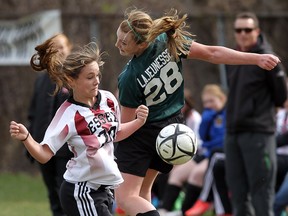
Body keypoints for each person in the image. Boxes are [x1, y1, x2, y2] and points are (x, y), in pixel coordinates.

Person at [113, 8, 281, 216]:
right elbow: (213, 53)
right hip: (171, 128)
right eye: (118, 39)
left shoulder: (129, 77)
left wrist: (107, 140)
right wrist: (255, 58)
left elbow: (128, 127)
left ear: (142, 42)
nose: (117, 44)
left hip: (144, 134)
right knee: (142, 193)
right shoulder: (167, 41)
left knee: (125, 197)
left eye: (123, 42)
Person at [9, 38, 149, 216]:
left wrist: (138, 122)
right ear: (71, 80)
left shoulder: (108, 100)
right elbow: (44, 155)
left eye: (98, 75)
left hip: (104, 189)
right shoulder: (68, 114)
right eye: (90, 77)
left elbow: (114, 134)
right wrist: (26, 138)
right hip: (82, 190)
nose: (96, 81)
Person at [224, 12, 287, 216]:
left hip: (259, 134)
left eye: (248, 29)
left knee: (261, 193)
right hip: (233, 133)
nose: (243, 34)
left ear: (257, 31)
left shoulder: (268, 59)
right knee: (238, 193)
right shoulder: (232, 58)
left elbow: (281, 97)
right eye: (238, 30)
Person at [158, 84, 226, 216]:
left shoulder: (226, 114)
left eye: (211, 101)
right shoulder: (208, 115)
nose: (208, 104)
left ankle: (185, 211)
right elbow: (203, 136)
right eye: (205, 101)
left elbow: (219, 140)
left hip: (217, 154)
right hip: (206, 153)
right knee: (176, 174)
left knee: (197, 174)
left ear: (222, 99)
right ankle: (164, 209)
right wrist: (207, 120)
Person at [27, 33, 73, 216]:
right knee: (52, 195)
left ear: (69, 48)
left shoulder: (73, 77)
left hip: (65, 150)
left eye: (62, 47)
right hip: (43, 147)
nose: (59, 52)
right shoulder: (41, 81)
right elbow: (33, 114)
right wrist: (30, 143)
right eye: (54, 48)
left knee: (65, 191)